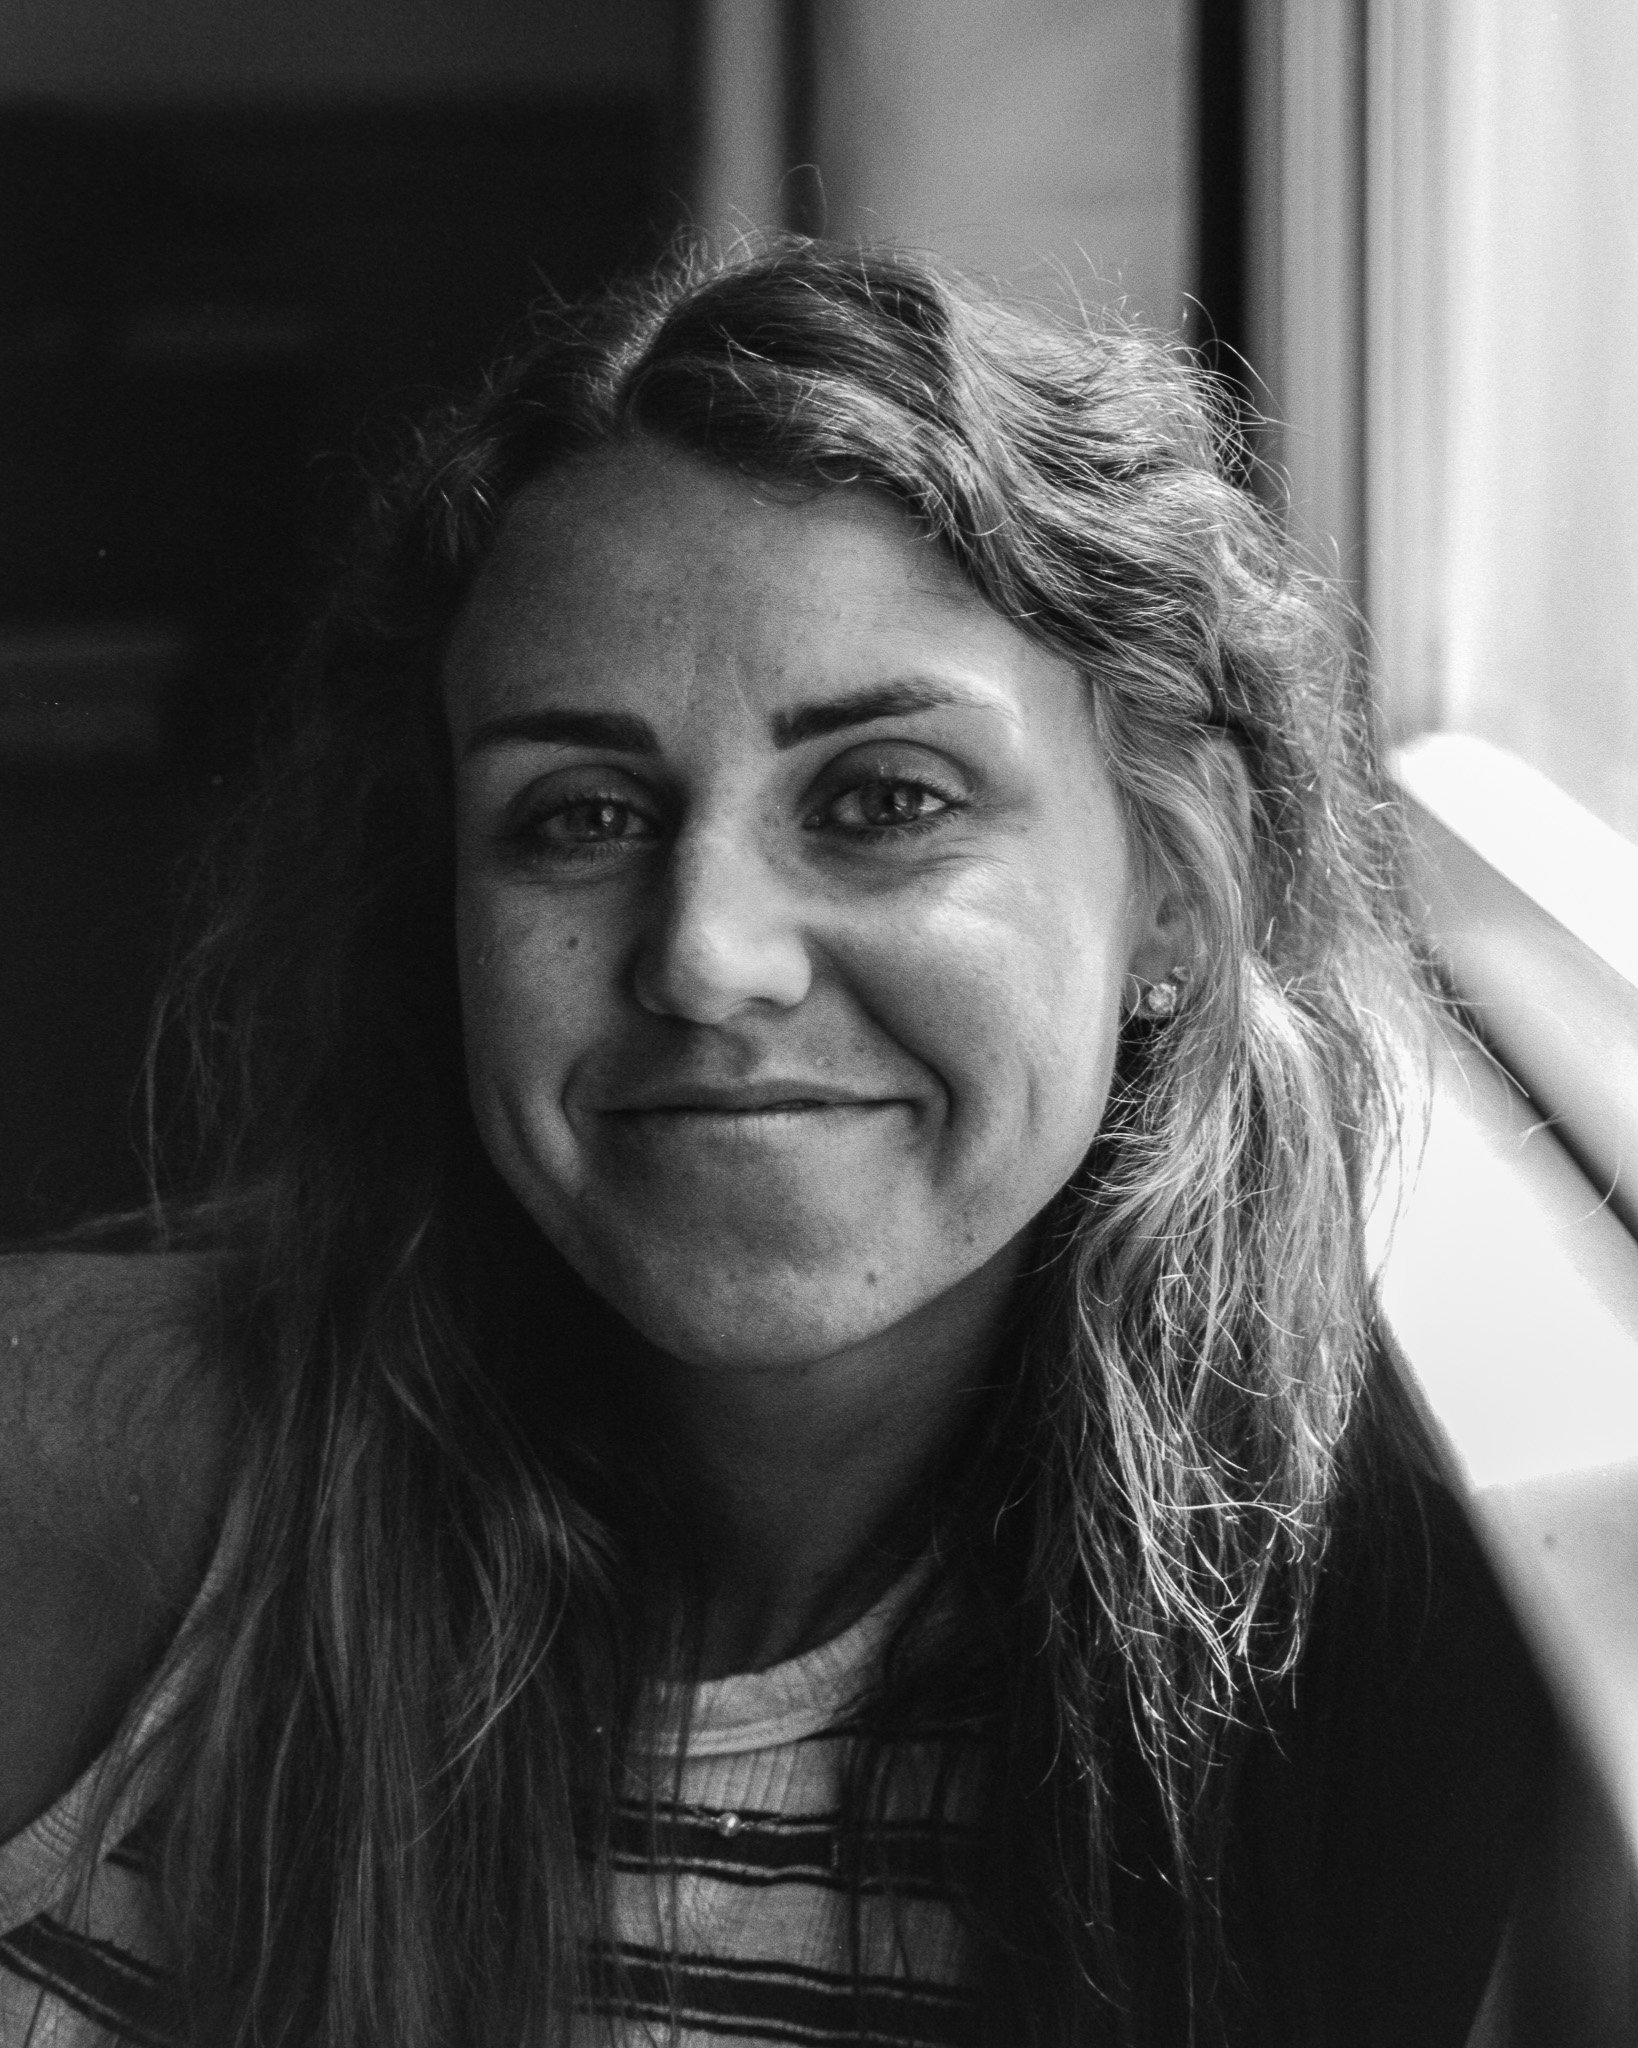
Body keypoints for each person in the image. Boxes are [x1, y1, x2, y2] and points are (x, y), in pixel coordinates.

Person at [0, 238, 1549, 2048]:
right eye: (580, 816)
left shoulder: (1366, 1678)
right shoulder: (85, 1468)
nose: (705, 956)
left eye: (883, 799)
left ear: (1178, 890)